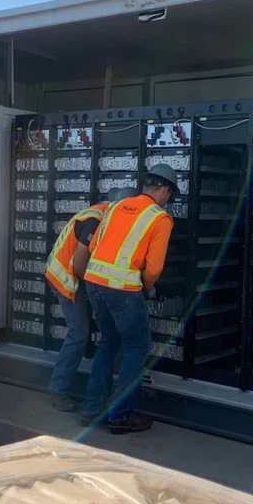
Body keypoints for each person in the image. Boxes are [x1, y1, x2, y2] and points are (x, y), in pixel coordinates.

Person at [79, 164, 177, 434]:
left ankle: (91, 409)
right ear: (165, 191)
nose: (168, 201)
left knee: (108, 342)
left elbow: (93, 245)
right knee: (137, 346)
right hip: (122, 288)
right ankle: (120, 415)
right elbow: (154, 267)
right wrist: (147, 285)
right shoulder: (160, 218)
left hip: (94, 282)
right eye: (170, 196)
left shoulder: (115, 207)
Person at [45, 186, 140, 411]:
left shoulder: (102, 215)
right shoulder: (96, 221)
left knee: (107, 328)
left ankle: (108, 376)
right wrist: (97, 290)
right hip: (66, 277)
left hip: (75, 276)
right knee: (79, 333)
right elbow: (79, 264)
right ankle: (58, 390)